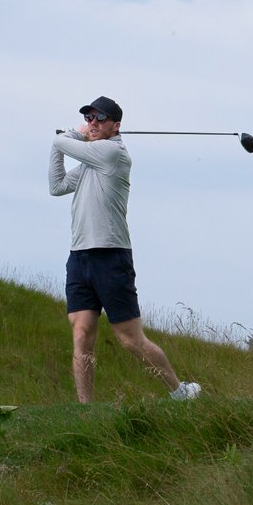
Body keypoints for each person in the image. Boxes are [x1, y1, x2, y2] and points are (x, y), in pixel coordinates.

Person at [49, 96, 201, 403]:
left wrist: (68, 137)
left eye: (99, 119)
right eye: (89, 118)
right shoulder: (90, 161)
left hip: (111, 256)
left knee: (130, 339)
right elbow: (57, 186)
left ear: (115, 126)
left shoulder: (112, 153)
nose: (92, 123)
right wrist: (59, 144)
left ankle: (180, 391)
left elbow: (67, 144)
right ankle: (86, 408)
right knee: (81, 334)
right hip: (79, 257)